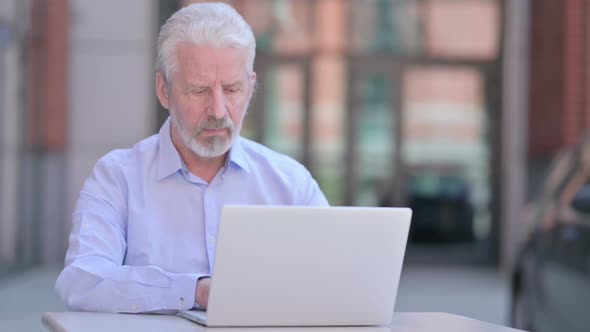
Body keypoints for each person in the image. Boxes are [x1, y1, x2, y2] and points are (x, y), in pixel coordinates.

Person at [55, 2, 328, 313]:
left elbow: (334, 280)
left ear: (251, 87)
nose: (218, 110)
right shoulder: (118, 178)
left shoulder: (290, 183)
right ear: (163, 89)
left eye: (232, 89)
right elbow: (82, 283)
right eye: (199, 90)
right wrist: (194, 291)